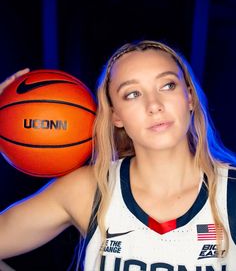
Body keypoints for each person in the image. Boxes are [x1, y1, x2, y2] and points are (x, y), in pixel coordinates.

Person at [0, 40, 236, 271]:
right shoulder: (88, 190)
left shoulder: (231, 193)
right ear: (116, 116)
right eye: (132, 94)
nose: (154, 105)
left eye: (167, 85)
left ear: (190, 98)